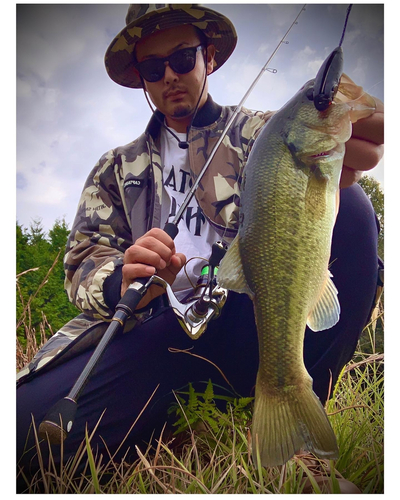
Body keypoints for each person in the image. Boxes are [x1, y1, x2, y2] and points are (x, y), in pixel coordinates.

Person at [17, 4, 384, 488]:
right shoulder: (114, 168)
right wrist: (119, 277)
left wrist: (358, 131)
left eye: (183, 58)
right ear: (141, 79)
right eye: (153, 68)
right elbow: (82, 260)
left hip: (248, 321)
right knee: (24, 437)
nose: (170, 75)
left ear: (208, 57)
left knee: (353, 208)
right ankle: (172, 423)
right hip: (153, 335)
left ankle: (298, 430)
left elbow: (352, 144)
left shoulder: (264, 133)